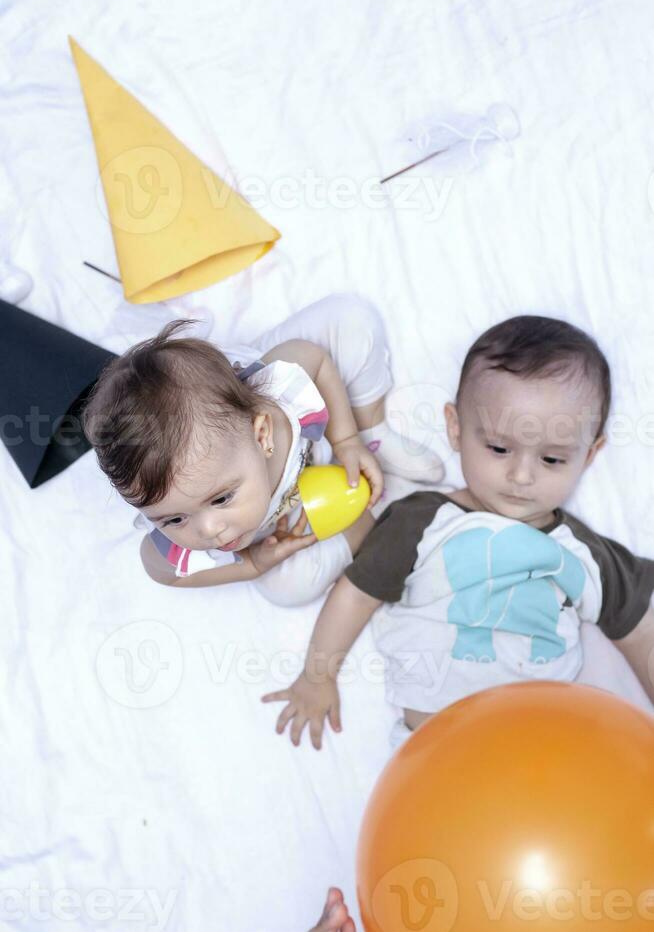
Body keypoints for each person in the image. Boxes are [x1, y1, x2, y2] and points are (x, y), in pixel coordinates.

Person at [262, 315, 654, 745]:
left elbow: (639, 629)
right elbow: (356, 594)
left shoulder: (582, 554)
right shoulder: (422, 523)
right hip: (437, 752)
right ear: (456, 428)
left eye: (552, 460)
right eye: (499, 448)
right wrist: (318, 676)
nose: (522, 475)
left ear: (591, 453)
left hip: (545, 746)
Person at [82, 293, 443, 606]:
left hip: (270, 418)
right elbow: (162, 572)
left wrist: (346, 439)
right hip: (288, 507)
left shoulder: (279, 398)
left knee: (350, 318)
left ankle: (371, 430)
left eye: (221, 498)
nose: (210, 530)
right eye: (173, 519)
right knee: (287, 587)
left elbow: (314, 360)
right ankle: (369, 517)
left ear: (262, 435)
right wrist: (252, 564)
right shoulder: (183, 505)